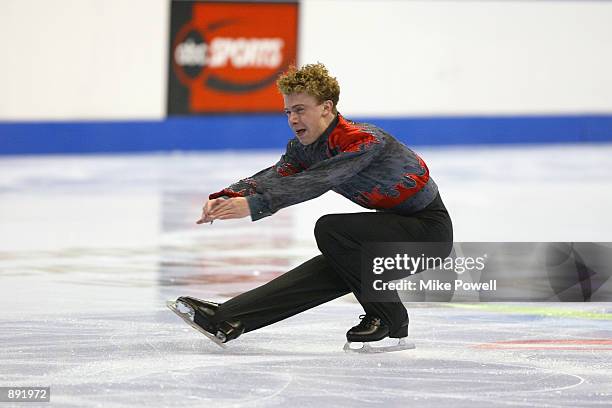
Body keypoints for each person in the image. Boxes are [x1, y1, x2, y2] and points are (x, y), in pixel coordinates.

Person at [170, 63, 453, 351]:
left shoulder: (364, 141)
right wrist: (229, 195)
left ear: (326, 108)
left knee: (332, 230)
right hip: (387, 233)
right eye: (288, 112)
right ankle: (227, 319)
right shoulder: (304, 149)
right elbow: (277, 174)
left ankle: (389, 320)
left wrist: (256, 205)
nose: (293, 119)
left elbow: (318, 180)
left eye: (300, 109)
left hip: (427, 235)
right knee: (321, 274)